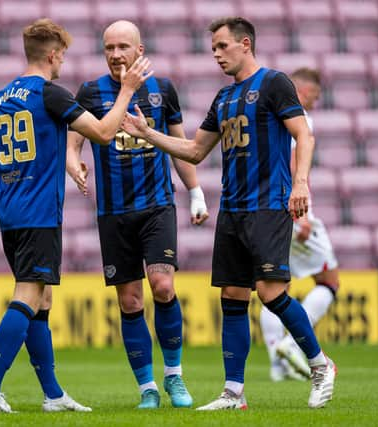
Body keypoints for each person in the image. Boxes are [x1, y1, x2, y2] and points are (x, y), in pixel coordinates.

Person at [121, 17, 336, 410]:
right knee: (233, 297)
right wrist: (148, 134)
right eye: (214, 48)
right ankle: (233, 392)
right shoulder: (223, 99)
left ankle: (321, 365)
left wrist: (301, 183)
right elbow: (195, 150)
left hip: (269, 204)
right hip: (233, 209)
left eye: (222, 46)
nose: (216, 54)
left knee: (271, 292)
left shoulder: (274, 83)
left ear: (245, 44)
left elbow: (304, 133)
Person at [0, 18, 152, 413]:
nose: (62, 63)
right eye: (63, 56)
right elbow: (104, 133)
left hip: (10, 210)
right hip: (38, 214)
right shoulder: (50, 94)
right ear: (53, 54)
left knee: (42, 299)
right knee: (27, 294)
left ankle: (53, 395)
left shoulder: (1, 96)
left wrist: (12, 185)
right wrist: (127, 91)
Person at [67, 20, 209, 410]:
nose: (115, 55)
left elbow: (181, 145)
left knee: (162, 286)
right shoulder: (91, 92)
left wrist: (195, 193)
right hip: (113, 212)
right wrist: (73, 162)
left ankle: (174, 377)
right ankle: (147, 387)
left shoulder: (162, 90)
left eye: (123, 47)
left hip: (157, 205)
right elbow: (74, 138)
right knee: (130, 301)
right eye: (109, 48)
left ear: (139, 50)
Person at [260, 67, 341, 382]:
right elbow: (295, 163)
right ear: (304, 91)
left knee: (275, 287)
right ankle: (293, 345)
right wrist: (302, 214)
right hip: (294, 208)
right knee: (329, 281)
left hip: (267, 210)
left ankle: (277, 365)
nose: (316, 103)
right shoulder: (299, 117)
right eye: (316, 96)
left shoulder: (269, 117)